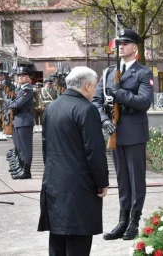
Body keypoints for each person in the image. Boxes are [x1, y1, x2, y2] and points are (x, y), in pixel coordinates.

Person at [37, 66, 109, 256]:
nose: (94, 92)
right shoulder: (86, 110)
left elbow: (46, 148)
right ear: (87, 85)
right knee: (78, 242)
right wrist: (102, 182)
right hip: (80, 187)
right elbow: (94, 151)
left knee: (57, 241)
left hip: (54, 183)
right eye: (94, 87)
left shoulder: (51, 107)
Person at [91, 28, 154, 241]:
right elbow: (96, 101)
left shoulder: (144, 73)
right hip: (114, 132)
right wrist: (104, 120)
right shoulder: (109, 72)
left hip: (134, 132)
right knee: (122, 179)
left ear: (135, 47)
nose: (121, 47)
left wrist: (120, 93)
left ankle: (134, 221)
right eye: (119, 43)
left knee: (136, 179)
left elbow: (144, 102)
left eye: (125, 43)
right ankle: (122, 220)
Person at [4, 67, 35, 179]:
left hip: (24, 120)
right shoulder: (21, 89)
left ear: (28, 78)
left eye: (22, 75)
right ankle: (21, 167)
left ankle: (26, 171)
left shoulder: (27, 90)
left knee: (25, 148)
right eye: (18, 76)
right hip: (19, 119)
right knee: (19, 147)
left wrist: (6, 101)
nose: (19, 77)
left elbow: (17, 104)